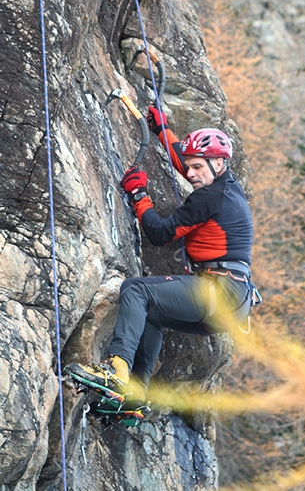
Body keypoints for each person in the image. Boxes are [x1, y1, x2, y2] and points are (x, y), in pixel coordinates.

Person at [65, 107, 256, 416]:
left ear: (218, 163)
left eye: (197, 168)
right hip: (231, 304)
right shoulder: (226, 186)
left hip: (219, 291)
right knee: (151, 313)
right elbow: (185, 159)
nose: (191, 174)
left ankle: (116, 370)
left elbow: (158, 232)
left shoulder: (208, 198)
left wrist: (139, 193)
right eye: (190, 167)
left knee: (136, 291)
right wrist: (163, 131)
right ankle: (136, 396)